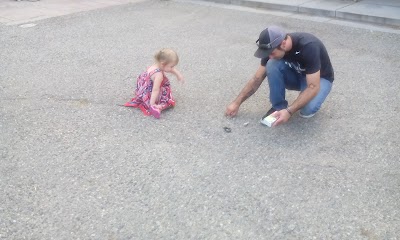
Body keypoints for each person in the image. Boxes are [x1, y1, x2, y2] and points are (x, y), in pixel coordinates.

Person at [225, 26, 334, 126]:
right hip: (298, 75)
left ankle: (293, 106)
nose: (269, 56)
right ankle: (278, 107)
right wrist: (236, 103)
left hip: (319, 79)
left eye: (272, 53)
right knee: (271, 64)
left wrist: (289, 111)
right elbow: (257, 78)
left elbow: (313, 86)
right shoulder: (272, 48)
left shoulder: (309, 46)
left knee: (307, 110)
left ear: (283, 44)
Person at [125, 48, 184, 119]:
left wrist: (178, 74)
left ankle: (149, 101)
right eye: (171, 66)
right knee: (167, 99)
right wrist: (152, 104)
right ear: (163, 64)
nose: (173, 68)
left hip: (142, 90)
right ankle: (158, 107)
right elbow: (155, 90)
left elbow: (169, 69)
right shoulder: (159, 75)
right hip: (150, 93)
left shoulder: (155, 65)